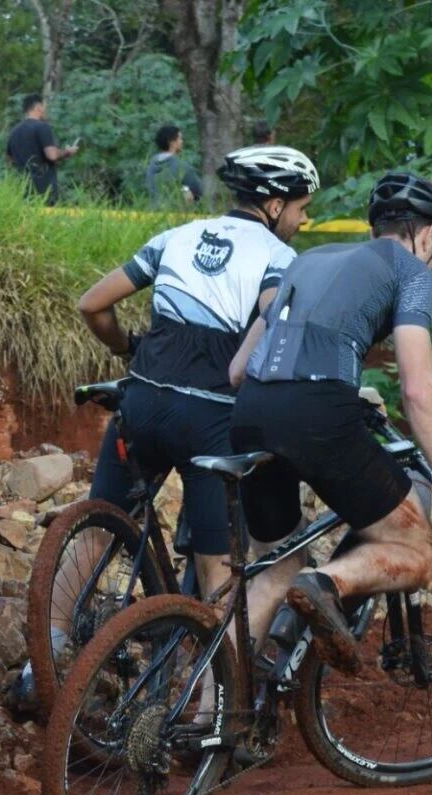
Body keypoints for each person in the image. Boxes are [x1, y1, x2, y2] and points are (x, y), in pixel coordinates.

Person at [227, 171, 432, 673]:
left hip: (252, 411)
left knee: (274, 568)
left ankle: (207, 716)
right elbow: (417, 387)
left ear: (374, 229)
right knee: (415, 550)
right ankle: (325, 585)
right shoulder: (412, 271)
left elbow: (238, 370)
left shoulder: (307, 261)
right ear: (428, 235)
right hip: (318, 412)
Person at [76, 145, 319, 603]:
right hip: (209, 421)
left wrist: (127, 348)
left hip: (141, 403)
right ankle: (213, 673)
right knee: (218, 572)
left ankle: (46, 652)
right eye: (302, 209)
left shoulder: (176, 235)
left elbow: (92, 304)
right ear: (274, 205)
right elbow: (275, 323)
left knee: (96, 530)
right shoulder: (278, 257)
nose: (302, 221)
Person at [5, 93, 78, 205]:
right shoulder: (42, 127)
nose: (45, 110)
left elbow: (9, 160)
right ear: (38, 107)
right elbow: (52, 155)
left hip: (21, 187)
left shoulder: (14, 131)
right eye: (44, 106)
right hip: (43, 189)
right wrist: (67, 152)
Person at [145, 124, 203, 206]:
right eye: (180, 138)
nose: (182, 141)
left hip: (154, 214)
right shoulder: (182, 167)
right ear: (171, 142)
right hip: (177, 213)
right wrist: (185, 190)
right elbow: (198, 192)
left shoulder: (150, 166)